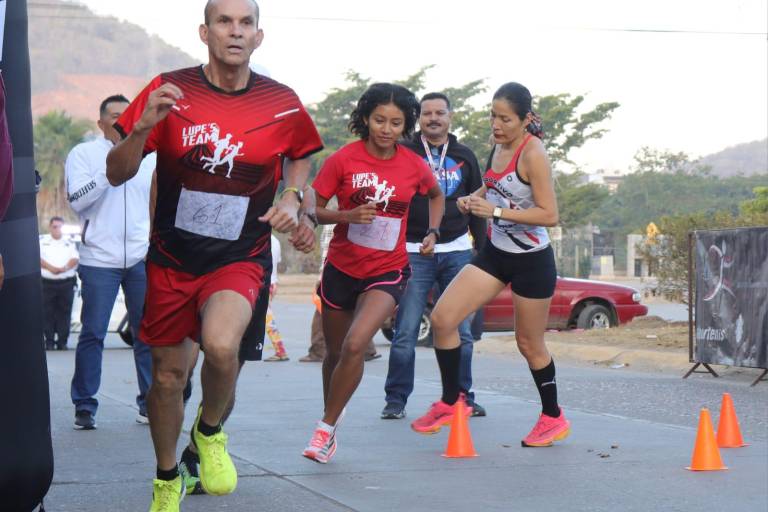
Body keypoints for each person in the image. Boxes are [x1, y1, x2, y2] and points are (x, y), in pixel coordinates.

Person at [106, 1, 323, 509]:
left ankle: (208, 432)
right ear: (205, 32)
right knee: (167, 379)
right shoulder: (169, 90)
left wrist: (293, 198)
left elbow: (301, 154)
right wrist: (140, 130)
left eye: (246, 23)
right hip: (172, 259)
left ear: (258, 36)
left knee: (222, 347)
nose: (235, 31)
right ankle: (166, 478)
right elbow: (117, 173)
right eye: (224, 22)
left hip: (239, 256)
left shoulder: (281, 101)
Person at [411, 82, 570, 448]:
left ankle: (553, 416)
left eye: (505, 119)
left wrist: (495, 212)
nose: (496, 125)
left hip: (531, 261)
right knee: (443, 319)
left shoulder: (533, 153)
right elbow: (494, 185)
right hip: (496, 254)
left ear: (525, 120)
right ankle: (452, 402)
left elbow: (549, 214)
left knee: (529, 343)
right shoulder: (498, 145)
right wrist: (474, 197)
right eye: (493, 116)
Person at [303, 82, 444, 464]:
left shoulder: (413, 164)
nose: (386, 129)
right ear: (365, 118)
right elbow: (313, 209)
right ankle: (332, 416)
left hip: (387, 270)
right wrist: (345, 215)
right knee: (334, 353)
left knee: (355, 345)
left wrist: (432, 231)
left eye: (396, 123)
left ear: (406, 125)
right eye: (380, 120)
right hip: (342, 268)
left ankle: (324, 429)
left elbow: (436, 194)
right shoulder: (343, 160)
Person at [382, 92, 487, 420]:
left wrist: (482, 252)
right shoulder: (404, 152)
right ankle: (396, 400)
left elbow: (478, 205)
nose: (433, 118)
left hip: (457, 251)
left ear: (450, 117)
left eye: (439, 113)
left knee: (462, 332)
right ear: (419, 118)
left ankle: (462, 398)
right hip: (414, 252)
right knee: (406, 331)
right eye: (427, 113)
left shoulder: (465, 155)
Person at [65, 94, 155, 430]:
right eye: (114, 116)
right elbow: (77, 201)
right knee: (93, 332)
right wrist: (110, 171)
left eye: (127, 115)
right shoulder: (83, 154)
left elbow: (160, 203)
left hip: (141, 258)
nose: (122, 121)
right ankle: (84, 404)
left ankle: (150, 403)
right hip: (99, 260)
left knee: (146, 334)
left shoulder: (151, 157)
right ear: (101, 122)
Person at [299, 223, 381, 363]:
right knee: (357, 312)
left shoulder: (333, 222)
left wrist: (322, 275)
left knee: (323, 314)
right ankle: (367, 349)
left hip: (338, 269)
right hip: (358, 269)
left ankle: (318, 350)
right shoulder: (356, 220)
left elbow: (328, 249)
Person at [39, 216, 79, 350]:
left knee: (65, 313)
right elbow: (37, 258)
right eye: (55, 227)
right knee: (47, 313)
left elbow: (75, 259)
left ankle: (62, 342)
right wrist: (51, 268)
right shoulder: (42, 241)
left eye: (60, 227)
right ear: (50, 227)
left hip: (65, 283)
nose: (57, 229)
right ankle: (49, 341)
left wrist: (63, 268)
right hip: (47, 283)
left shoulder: (69, 242)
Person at [263, 234, 289, 361]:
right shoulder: (276, 241)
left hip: (263, 282)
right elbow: (276, 264)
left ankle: (280, 350)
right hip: (272, 283)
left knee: (267, 316)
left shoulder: (262, 239)